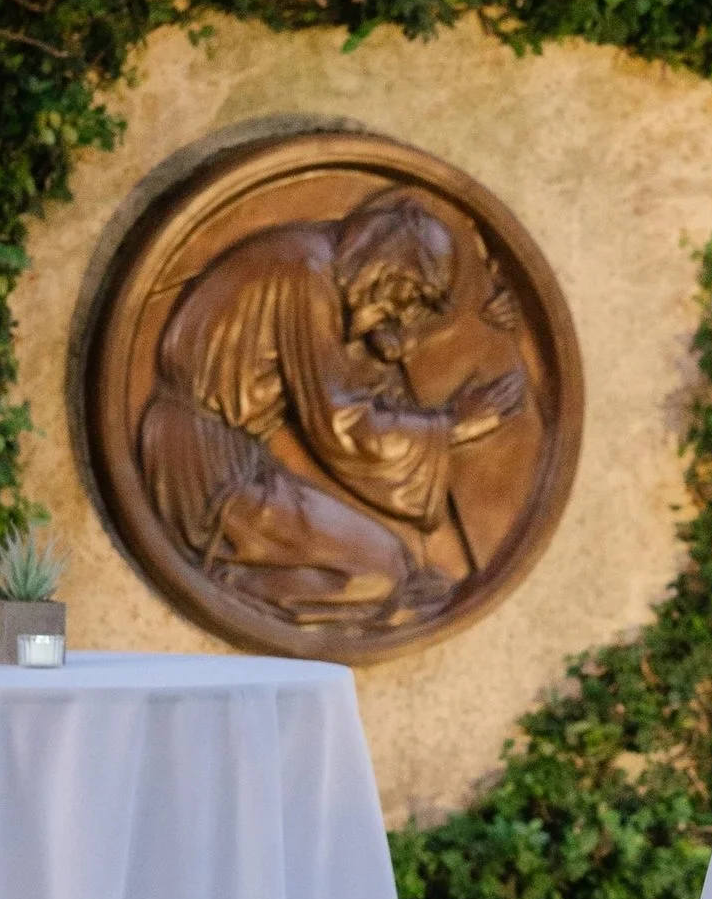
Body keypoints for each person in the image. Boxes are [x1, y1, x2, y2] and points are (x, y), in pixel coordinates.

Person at [139, 188, 525, 627]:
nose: (403, 312)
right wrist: (452, 425)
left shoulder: (321, 263)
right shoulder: (307, 274)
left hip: (232, 458)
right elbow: (338, 424)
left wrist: (375, 351)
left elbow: (323, 376)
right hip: (205, 470)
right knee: (378, 573)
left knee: (399, 567)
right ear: (389, 260)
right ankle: (223, 580)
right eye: (409, 293)